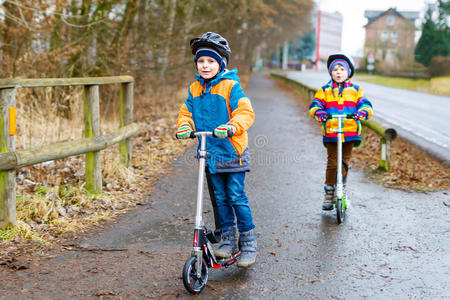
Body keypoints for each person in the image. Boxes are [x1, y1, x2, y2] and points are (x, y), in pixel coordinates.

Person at [176, 32, 257, 268]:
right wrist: (184, 126)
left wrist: (232, 126)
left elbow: (245, 111)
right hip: (209, 153)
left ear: (221, 63)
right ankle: (228, 240)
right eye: (201, 61)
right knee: (220, 199)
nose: (205, 65)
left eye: (211, 61)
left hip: (232, 152)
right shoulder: (194, 89)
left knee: (236, 197)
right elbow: (186, 113)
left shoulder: (231, 86)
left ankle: (249, 242)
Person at [309, 54, 373, 210]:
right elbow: (315, 105)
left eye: (342, 69)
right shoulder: (324, 90)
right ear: (331, 73)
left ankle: (342, 187)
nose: (338, 72)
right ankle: (329, 190)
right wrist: (319, 112)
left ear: (348, 72)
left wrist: (362, 112)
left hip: (350, 130)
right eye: (335, 69)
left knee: (345, 160)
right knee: (332, 161)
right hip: (331, 131)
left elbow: (366, 105)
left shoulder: (356, 90)